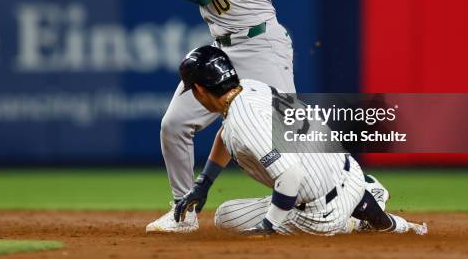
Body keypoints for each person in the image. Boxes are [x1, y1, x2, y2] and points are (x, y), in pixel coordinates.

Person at [140, 0, 296, 233]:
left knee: (287, 143)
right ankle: (183, 212)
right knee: (174, 124)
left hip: (261, 48)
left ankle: (352, 196)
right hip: (226, 49)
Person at [172, 45, 428, 236]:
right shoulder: (251, 87)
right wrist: (203, 183)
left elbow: (290, 176)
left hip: (320, 215)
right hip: (350, 172)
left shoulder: (242, 123)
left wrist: (268, 226)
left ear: (200, 90)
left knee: (225, 216)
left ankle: (352, 221)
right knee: (301, 168)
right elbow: (224, 134)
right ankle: (367, 198)